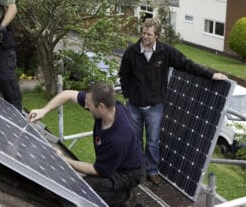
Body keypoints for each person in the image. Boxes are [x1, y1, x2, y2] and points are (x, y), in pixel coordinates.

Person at [118, 18, 228, 185]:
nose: (145, 37)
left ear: (157, 35)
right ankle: (137, 171)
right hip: (134, 106)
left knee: (153, 141)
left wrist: (211, 75)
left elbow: (187, 65)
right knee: (136, 139)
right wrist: (127, 94)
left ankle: (152, 170)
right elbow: (123, 75)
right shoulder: (131, 52)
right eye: (143, 33)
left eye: (149, 34)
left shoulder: (165, 52)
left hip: (155, 106)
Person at [28, 82, 145, 207]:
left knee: (79, 196)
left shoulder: (119, 137)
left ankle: (124, 197)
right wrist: (44, 110)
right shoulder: (108, 105)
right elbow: (67, 94)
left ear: (101, 106)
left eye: (88, 104)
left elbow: (98, 170)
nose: (85, 105)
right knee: (78, 190)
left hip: (127, 173)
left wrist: (64, 160)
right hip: (113, 162)